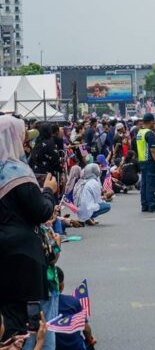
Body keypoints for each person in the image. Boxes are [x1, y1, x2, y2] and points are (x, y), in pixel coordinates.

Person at [0, 115, 58, 342]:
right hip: (22, 255)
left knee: (6, 314)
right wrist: (48, 191)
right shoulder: (18, 173)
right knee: (27, 321)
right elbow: (41, 212)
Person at [54, 267, 96, 350]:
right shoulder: (72, 302)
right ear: (61, 286)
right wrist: (90, 340)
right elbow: (86, 328)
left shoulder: (38, 306)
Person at [136, 113, 155, 213]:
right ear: (151, 121)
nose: (154, 123)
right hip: (149, 162)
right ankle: (152, 205)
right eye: (154, 121)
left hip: (142, 161)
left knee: (144, 184)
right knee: (151, 185)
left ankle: (144, 205)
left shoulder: (140, 133)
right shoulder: (149, 134)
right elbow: (153, 150)